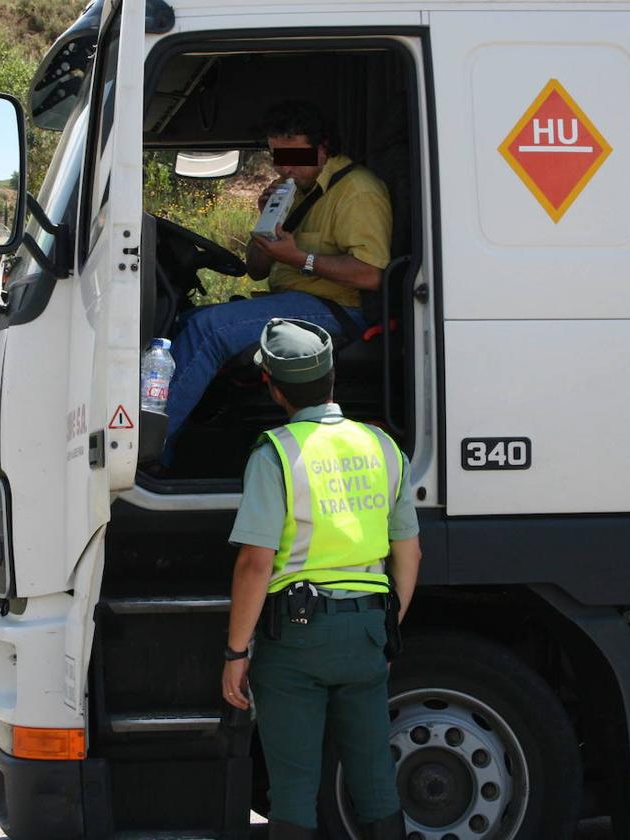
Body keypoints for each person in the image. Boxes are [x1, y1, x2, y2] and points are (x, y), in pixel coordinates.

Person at [221, 318, 421, 839]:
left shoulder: (276, 454)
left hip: (297, 639)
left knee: (293, 789)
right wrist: (386, 621)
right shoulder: (382, 446)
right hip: (367, 632)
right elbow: (410, 551)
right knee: (375, 779)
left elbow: (255, 564)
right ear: (332, 378)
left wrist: (236, 653)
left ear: (273, 387)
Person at [160, 100, 393, 466]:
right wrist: (267, 220)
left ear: (323, 148)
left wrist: (301, 258)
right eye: (276, 157)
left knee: (207, 330)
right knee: (186, 323)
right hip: (296, 302)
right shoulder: (295, 190)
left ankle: (148, 452)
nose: (283, 167)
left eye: (292, 156)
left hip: (340, 311)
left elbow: (372, 274)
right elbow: (255, 269)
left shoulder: (357, 191)